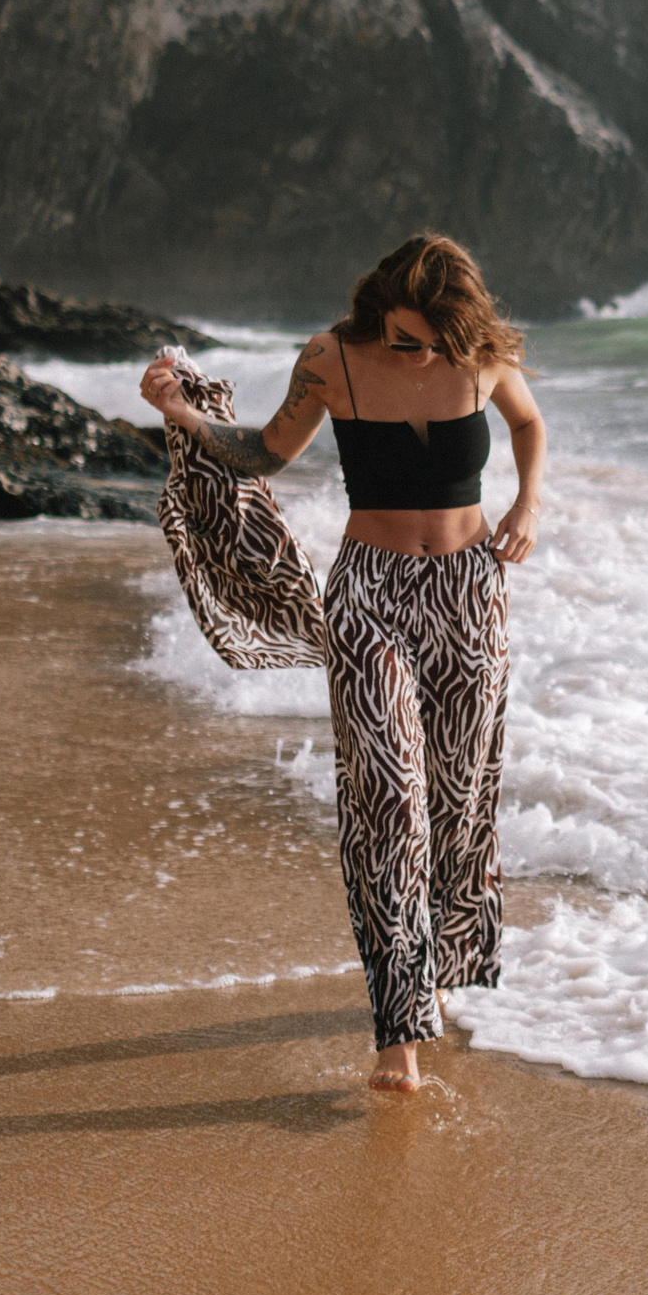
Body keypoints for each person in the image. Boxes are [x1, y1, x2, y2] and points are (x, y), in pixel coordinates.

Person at [138, 234, 546, 1093]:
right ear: (380, 306)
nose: (421, 351)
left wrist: (527, 502)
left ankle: (435, 963)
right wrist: (182, 413)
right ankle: (396, 1026)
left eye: (436, 337)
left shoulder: (479, 355)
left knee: (462, 789)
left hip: (471, 593)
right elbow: (264, 451)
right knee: (388, 793)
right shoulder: (332, 358)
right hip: (369, 598)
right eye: (407, 336)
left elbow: (528, 422)